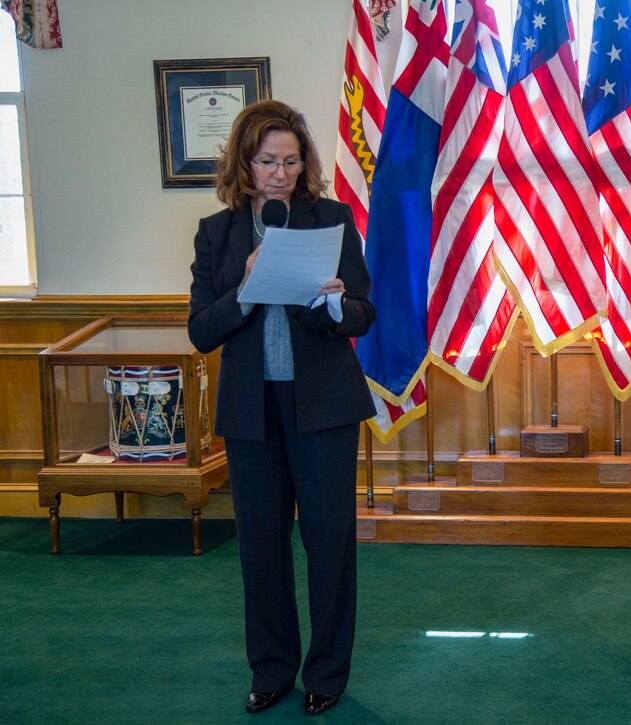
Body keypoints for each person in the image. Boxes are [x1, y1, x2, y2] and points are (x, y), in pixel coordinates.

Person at [188, 100, 376, 713]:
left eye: (291, 161)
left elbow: (362, 312)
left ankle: (326, 675)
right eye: (268, 161)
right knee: (261, 550)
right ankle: (270, 671)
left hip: (322, 409)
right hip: (251, 416)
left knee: (328, 547)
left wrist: (330, 305)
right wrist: (244, 288)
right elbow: (201, 331)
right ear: (245, 162)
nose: (280, 172)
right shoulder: (217, 233)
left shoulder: (333, 218)